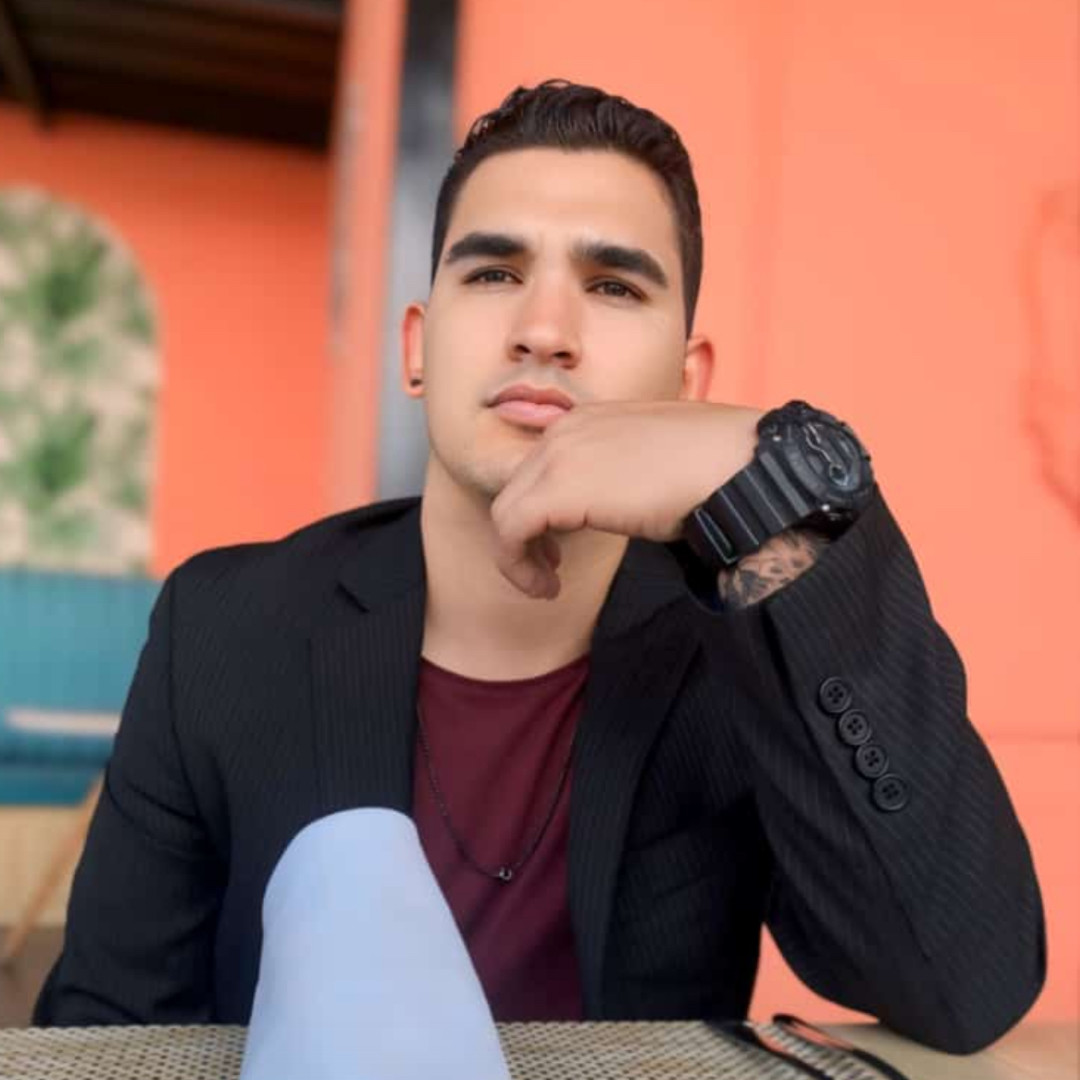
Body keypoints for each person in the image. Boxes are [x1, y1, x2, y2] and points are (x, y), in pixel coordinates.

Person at [35, 80, 1044, 1052]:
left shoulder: (742, 643)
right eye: (493, 273)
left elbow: (963, 987)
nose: (545, 332)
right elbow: (101, 1037)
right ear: (417, 350)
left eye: (613, 286)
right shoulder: (223, 627)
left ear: (688, 385)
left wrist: (773, 488)